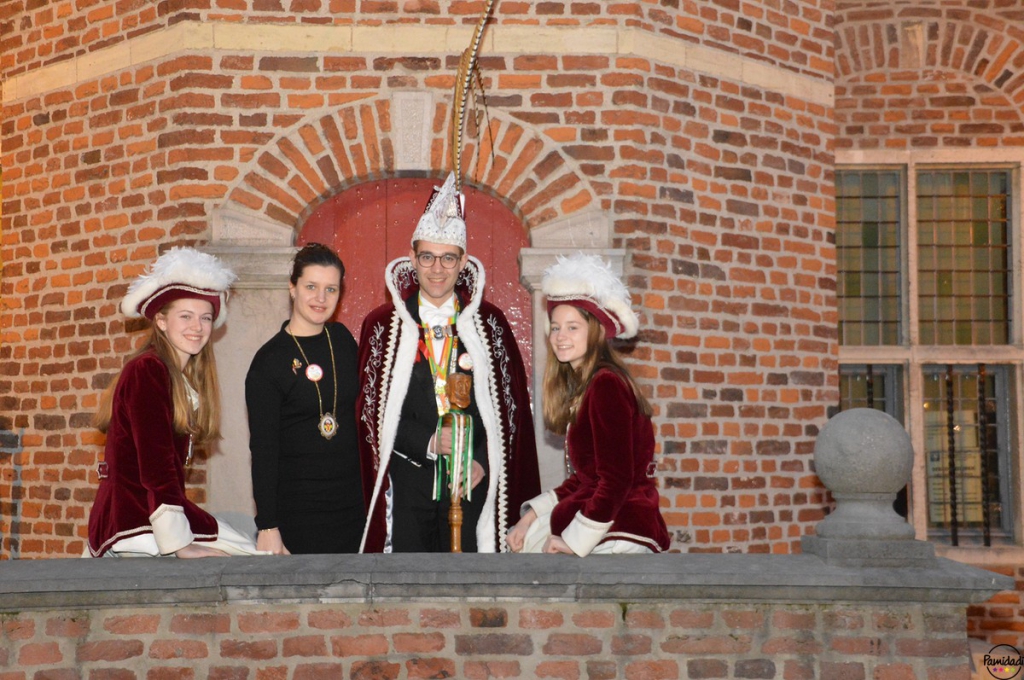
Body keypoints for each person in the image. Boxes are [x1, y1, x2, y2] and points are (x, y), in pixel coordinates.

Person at [357, 172, 541, 553]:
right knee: (410, 583)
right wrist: (427, 441)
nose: (437, 269)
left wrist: (480, 461)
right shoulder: (384, 325)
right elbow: (370, 415)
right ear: (412, 259)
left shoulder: (490, 324)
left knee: (469, 584)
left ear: (463, 263)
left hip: (472, 484)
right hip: (408, 487)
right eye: (427, 257)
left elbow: (510, 415)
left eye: (448, 258)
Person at [87, 247, 265, 558]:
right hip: (135, 521)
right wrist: (180, 544)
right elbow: (156, 467)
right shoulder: (148, 370)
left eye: (205, 318)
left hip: (148, 515)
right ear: (161, 321)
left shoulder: (175, 377)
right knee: (247, 558)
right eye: (185, 316)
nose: (197, 327)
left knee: (251, 553)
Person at [507, 253, 670, 556]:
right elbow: (587, 480)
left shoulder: (606, 385)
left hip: (621, 530)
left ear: (595, 332)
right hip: (609, 524)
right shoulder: (589, 386)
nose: (560, 336)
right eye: (555, 327)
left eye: (572, 327)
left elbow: (616, 480)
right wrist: (531, 517)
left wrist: (574, 540)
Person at [246, 243, 365, 554]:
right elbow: (263, 450)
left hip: (353, 509)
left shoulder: (343, 341)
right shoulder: (269, 361)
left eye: (331, 289)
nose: (321, 298)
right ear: (292, 288)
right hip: (298, 513)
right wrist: (268, 525)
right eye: (311, 286)